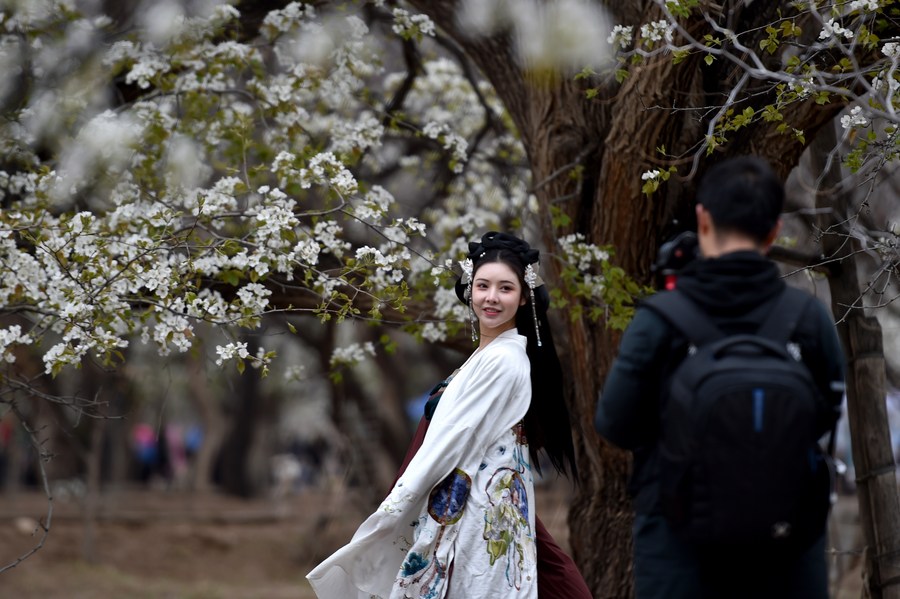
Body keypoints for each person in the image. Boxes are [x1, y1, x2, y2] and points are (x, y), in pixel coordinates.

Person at [594, 156, 845, 599]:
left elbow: (615, 423)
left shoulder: (660, 320)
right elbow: (824, 413)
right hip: (787, 547)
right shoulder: (807, 319)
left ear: (703, 219)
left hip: (680, 548)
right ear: (774, 230)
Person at [308, 231, 589, 599]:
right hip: (478, 501)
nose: (491, 297)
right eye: (483, 285)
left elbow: (455, 439)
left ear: (523, 299)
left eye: (505, 288)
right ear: (469, 290)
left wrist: (395, 506)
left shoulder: (504, 361)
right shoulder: (487, 356)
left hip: (477, 513)